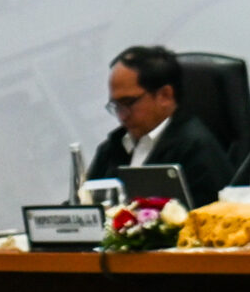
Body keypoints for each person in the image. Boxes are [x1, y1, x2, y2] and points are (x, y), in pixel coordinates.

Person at [89, 43, 233, 207]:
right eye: (116, 106)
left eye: (128, 103)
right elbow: (86, 207)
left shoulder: (197, 149)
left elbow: (212, 218)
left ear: (165, 95)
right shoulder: (111, 149)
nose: (122, 115)